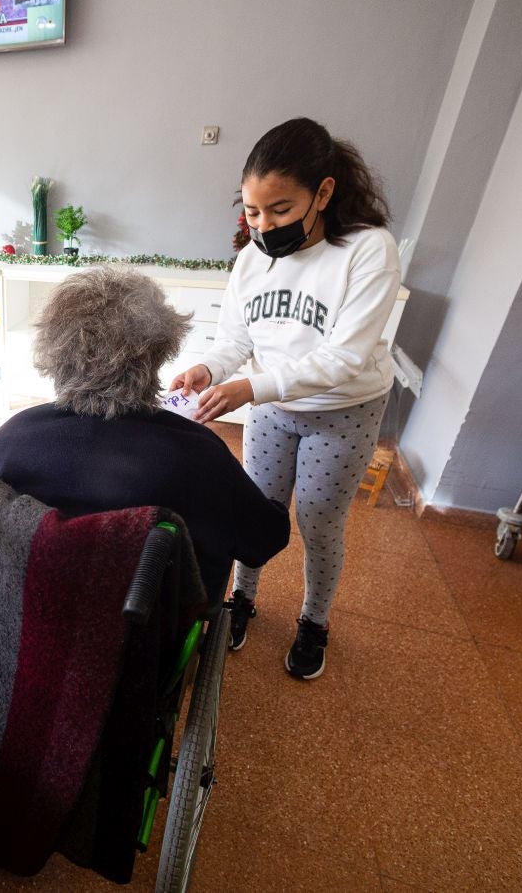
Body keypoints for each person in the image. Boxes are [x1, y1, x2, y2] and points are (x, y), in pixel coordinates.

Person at [169, 116, 401, 681]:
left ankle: (314, 620)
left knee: (320, 523)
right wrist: (206, 367)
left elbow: (344, 359)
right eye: (251, 211)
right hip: (272, 409)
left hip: (341, 413)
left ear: (323, 192)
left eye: (280, 209)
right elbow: (237, 339)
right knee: (256, 511)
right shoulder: (252, 258)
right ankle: (242, 598)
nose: (262, 225)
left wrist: (250, 387)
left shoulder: (368, 251)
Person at [0, 265, 290, 604]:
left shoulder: (7, 440)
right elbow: (265, 540)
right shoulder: (199, 456)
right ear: (159, 352)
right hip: (146, 637)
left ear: (53, 350)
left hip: (26, 614)